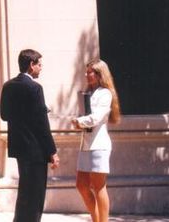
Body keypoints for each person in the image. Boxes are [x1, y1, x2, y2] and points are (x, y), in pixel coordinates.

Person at [0, 48, 60, 222]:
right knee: (35, 195)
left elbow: (5, 115)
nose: (41, 68)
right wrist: (52, 151)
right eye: (39, 65)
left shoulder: (8, 86)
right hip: (36, 150)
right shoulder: (35, 88)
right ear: (31, 65)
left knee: (25, 191)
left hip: (19, 148)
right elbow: (42, 125)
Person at [72, 58, 121, 222]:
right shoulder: (89, 93)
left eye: (90, 72)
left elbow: (97, 117)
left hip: (99, 145)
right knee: (81, 185)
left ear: (100, 74)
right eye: (86, 72)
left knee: (99, 186)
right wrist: (79, 120)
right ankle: (96, 219)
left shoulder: (105, 93)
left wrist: (79, 121)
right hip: (85, 144)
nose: (86, 75)